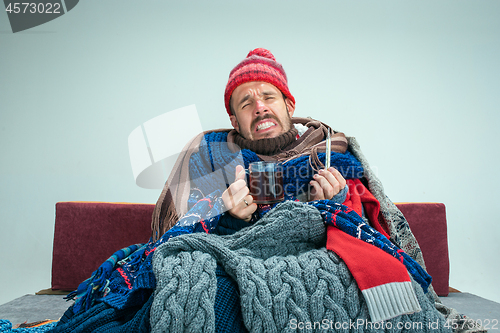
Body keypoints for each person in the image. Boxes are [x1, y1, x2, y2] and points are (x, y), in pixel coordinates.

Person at [53, 48, 465, 333]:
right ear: (235, 118)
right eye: (245, 102)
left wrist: (338, 205)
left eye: (268, 96)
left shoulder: (330, 152)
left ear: (289, 104)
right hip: (234, 258)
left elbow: (372, 232)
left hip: (316, 257)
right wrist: (228, 218)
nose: (259, 106)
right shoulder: (210, 156)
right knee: (196, 284)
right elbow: (174, 240)